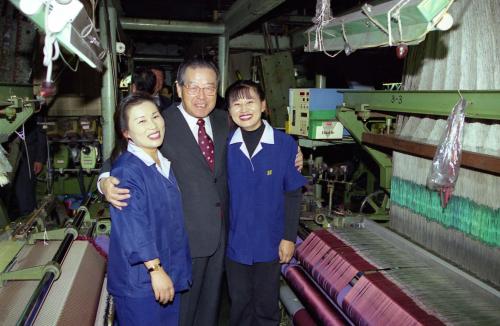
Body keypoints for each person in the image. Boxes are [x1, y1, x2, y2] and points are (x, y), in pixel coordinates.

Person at [99, 58, 303, 326]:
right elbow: (121, 154)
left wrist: (293, 152)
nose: (202, 95)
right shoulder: (161, 122)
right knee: (180, 314)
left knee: (209, 312)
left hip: (221, 239)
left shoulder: (224, 121)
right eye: (193, 87)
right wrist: (104, 180)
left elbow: (257, 133)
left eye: (209, 87)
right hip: (181, 242)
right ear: (178, 88)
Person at [224, 80, 306, 326]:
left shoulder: (284, 145)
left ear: (263, 105)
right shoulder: (226, 145)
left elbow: (292, 193)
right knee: (239, 305)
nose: (244, 109)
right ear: (228, 111)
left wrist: (289, 237)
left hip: (270, 242)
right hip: (235, 243)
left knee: (266, 306)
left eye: (250, 101)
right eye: (236, 104)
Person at [107, 93, 191, 325]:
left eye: (155, 116)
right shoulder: (127, 171)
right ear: (126, 133)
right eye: (141, 121)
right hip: (141, 281)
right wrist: (155, 269)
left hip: (165, 272)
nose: (153, 125)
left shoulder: (161, 162)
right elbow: (134, 227)